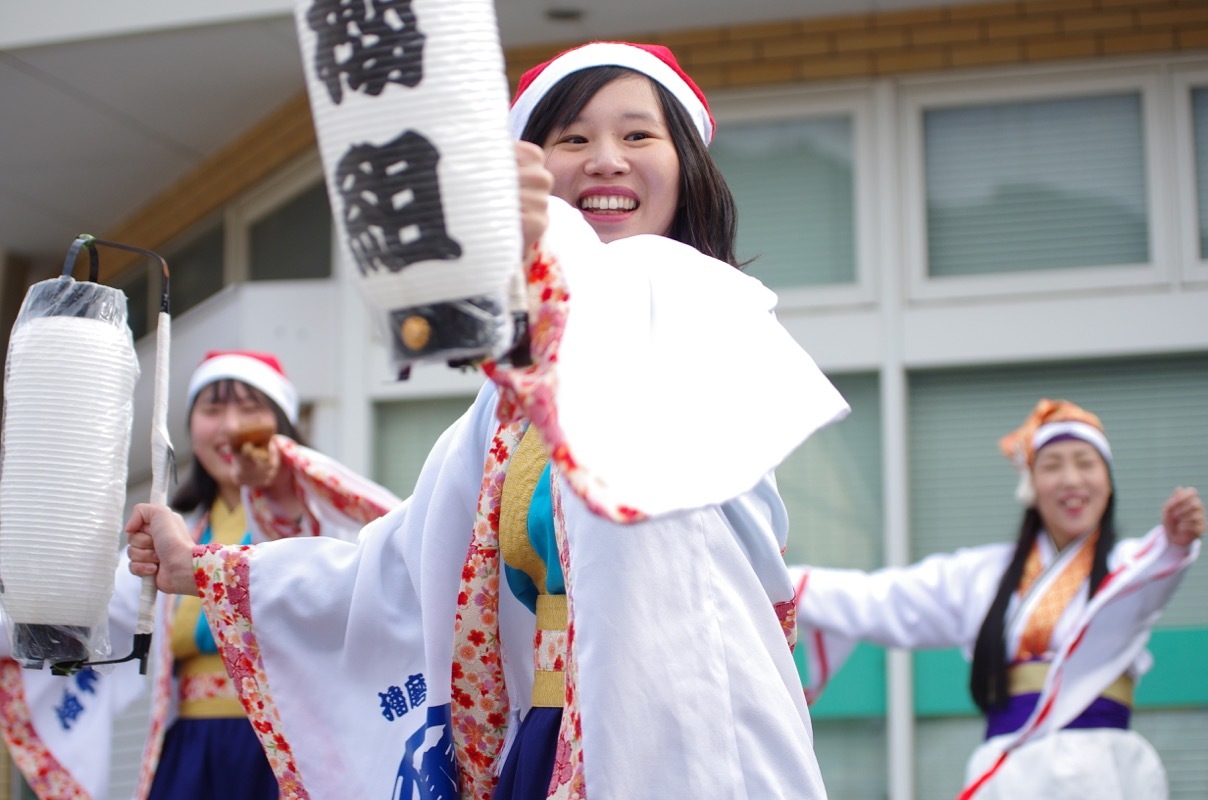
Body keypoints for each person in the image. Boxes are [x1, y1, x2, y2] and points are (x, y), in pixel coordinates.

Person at [125, 42, 847, 799]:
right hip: (541, 746)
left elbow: (611, 332)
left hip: (685, 739)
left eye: (638, 135)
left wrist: (531, 240)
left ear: (687, 165)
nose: (606, 159)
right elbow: (396, 573)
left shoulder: (703, 301)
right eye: (572, 139)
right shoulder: (500, 418)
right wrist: (200, 568)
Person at [791, 398, 1204, 799]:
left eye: (1085, 463)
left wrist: (1176, 541)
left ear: (1108, 480)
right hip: (1013, 774)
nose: (1071, 480)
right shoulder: (982, 575)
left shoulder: (1131, 565)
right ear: (1031, 485)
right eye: (1053, 466)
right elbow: (884, 598)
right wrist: (782, 581)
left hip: (1106, 772)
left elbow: (1159, 566)